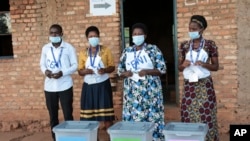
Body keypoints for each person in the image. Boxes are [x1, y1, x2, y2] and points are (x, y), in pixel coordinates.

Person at [117, 23, 167, 141]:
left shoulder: (153, 49)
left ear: (145, 35)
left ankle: (154, 138)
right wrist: (125, 73)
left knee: (152, 117)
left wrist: (147, 71)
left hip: (151, 92)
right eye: (134, 34)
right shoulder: (127, 51)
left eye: (140, 34)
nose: (137, 36)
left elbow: (162, 69)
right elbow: (120, 71)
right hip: (132, 94)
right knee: (134, 117)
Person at [178, 15, 219, 141]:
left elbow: (216, 66)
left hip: (204, 86)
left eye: (194, 29)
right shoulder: (184, 45)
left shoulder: (210, 45)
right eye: (189, 29)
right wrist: (182, 65)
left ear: (201, 29)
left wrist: (204, 64)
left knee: (206, 114)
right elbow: (179, 68)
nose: (191, 31)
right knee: (187, 113)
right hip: (190, 85)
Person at [40, 24, 78, 141]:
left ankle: (70, 138)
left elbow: (75, 65)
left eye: (56, 33)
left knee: (68, 114)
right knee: (53, 116)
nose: (54, 35)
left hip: (65, 85)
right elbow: (42, 64)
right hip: (50, 87)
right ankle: (55, 138)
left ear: (62, 34)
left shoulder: (69, 48)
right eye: (51, 33)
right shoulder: (45, 48)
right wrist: (46, 72)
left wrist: (63, 72)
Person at [78, 26, 115, 131]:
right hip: (88, 86)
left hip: (103, 84)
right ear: (87, 38)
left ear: (99, 37)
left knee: (106, 116)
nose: (93, 38)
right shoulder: (82, 53)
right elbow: (80, 70)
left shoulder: (105, 50)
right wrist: (85, 71)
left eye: (95, 36)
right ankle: (94, 138)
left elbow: (112, 66)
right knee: (89, 117)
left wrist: (105, 70)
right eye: (91, 36)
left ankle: (110, 136)